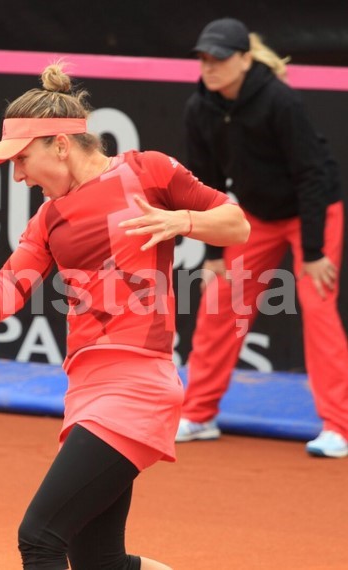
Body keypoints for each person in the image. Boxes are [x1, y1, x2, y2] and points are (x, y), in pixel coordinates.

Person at [0, 63, 249, 569]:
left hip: (136, 388)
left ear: (61, 145)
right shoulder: (47, 219)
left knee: (40, 537)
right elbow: (0, 299)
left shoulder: (148, 171)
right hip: (86, 392)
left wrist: (182, 221)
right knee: (100, 562)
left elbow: (236, 225)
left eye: (22, 159)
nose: (18, 175)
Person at [177, 17, 348, 459]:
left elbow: (312, 174)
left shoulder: (278, 100)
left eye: (219, 58)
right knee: (221, 302)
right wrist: (214, 252)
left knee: (317, 303)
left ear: (245, 59)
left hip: (311, 210)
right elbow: (206, 184)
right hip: (256, 215)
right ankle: (198, 415)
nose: (209, 66)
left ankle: (338, 427)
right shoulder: (199, 109)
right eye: (203, 58)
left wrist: (313, 252)